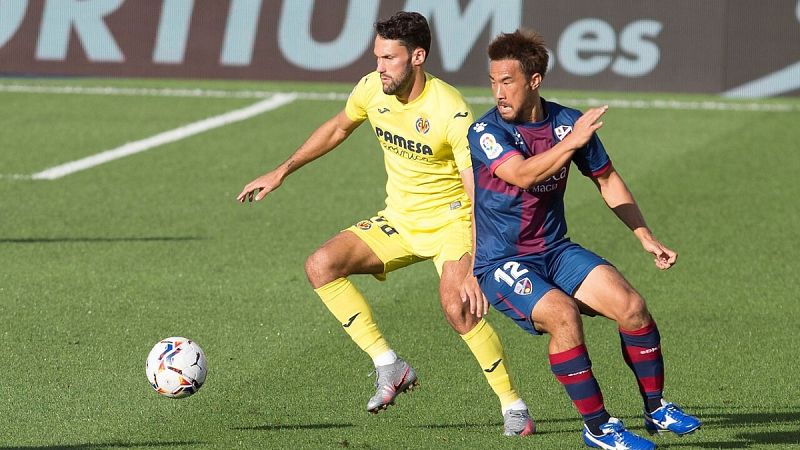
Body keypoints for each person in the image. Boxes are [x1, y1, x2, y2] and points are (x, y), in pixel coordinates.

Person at [237, 12, 544, 436]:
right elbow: (338, 128)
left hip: (451, 223)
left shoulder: (450, 110)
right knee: (321, 265)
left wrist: (478, 258)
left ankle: (514, 407)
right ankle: (389, 364)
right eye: (377, 56)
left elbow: (477, 188)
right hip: (399, 220)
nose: (380, 66)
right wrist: (282, 170)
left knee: (458, 306)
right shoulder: (370, 88)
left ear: (417, 57)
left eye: (389, 58)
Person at [467, 29, 702, 449]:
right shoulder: (487, 131)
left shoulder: (564, 121)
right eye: (492, 81)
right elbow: (522, 174)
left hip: (555, 251)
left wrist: (644, 235)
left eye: (507, 81)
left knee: (631, 307)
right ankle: (598, 428)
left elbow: (607, 180)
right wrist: (574, 140)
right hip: (501, 261)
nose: (497, 92)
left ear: (534, 81)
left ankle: (656, 408)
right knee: (562, 316)